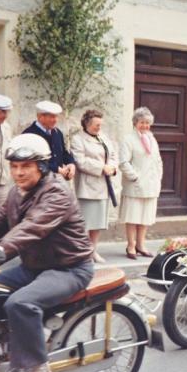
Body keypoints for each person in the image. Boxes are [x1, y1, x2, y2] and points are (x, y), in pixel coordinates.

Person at [0, 133, 94, 372]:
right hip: (34, 267)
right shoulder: (16, 194)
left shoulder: (56, 194)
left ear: (41, 167)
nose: (18, 173)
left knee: (19, 303)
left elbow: (30, 229)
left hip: (69, 268)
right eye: (14, 167)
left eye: (26, 166)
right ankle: (3, 348)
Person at [70, 109, 118, 263]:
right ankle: (82, 253)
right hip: (88, 187)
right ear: (87, 124)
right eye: (96, 125)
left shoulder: (103, 137)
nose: (99, 128)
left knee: (97, 222)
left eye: (100, 125)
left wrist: (111, 167)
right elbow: (80, 161)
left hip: (103, 185)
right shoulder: (78, 139)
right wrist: (101, 167)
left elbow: (113, 155)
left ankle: (93, 251)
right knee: (85, 222)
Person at [118, 107, 162, 260]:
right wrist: (135, 177)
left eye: (148, 123)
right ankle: (131, 245)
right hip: (135, 185)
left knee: (145, 217)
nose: (145, 126)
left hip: (151, 185)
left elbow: (157, 160)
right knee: (133, 216)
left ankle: (141, 245)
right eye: (142, 122)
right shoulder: (128, 139)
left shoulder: (151, 138)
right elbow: (123, 162)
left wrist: (158, 177)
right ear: (135, 122)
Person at [23, 101, 76, 180]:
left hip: (57, 181)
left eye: (56, 117)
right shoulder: (29, 135)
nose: (55, 120)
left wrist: (71, 163)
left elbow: (63, 153)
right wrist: (57, 169)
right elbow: (33, 161)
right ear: (40, 117)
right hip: (38, 182)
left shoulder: (57, 132)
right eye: (52, 117)